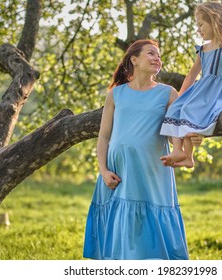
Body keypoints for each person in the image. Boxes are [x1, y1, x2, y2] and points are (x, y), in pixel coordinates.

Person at [83, 39, 191, 260]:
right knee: (121, 239)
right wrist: (103, 170)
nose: (157, 59)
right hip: (118, 172)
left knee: (151, 234)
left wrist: (185, 147)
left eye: (159, 56)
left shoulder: (168, 93)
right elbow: (104, 136)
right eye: (151, 54)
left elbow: (175, 132)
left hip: (150, 171)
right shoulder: (116, 94)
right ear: (134, 59)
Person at [160, 1, 222, 168]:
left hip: (219, 93)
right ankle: (179, 151)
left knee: (189, 110)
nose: (198, 29)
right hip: (202, 91)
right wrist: (180, 96)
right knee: (177, 108)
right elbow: (191, 75)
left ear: (215, 21)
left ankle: (188, 155)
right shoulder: (202, 50)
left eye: (201, 24)